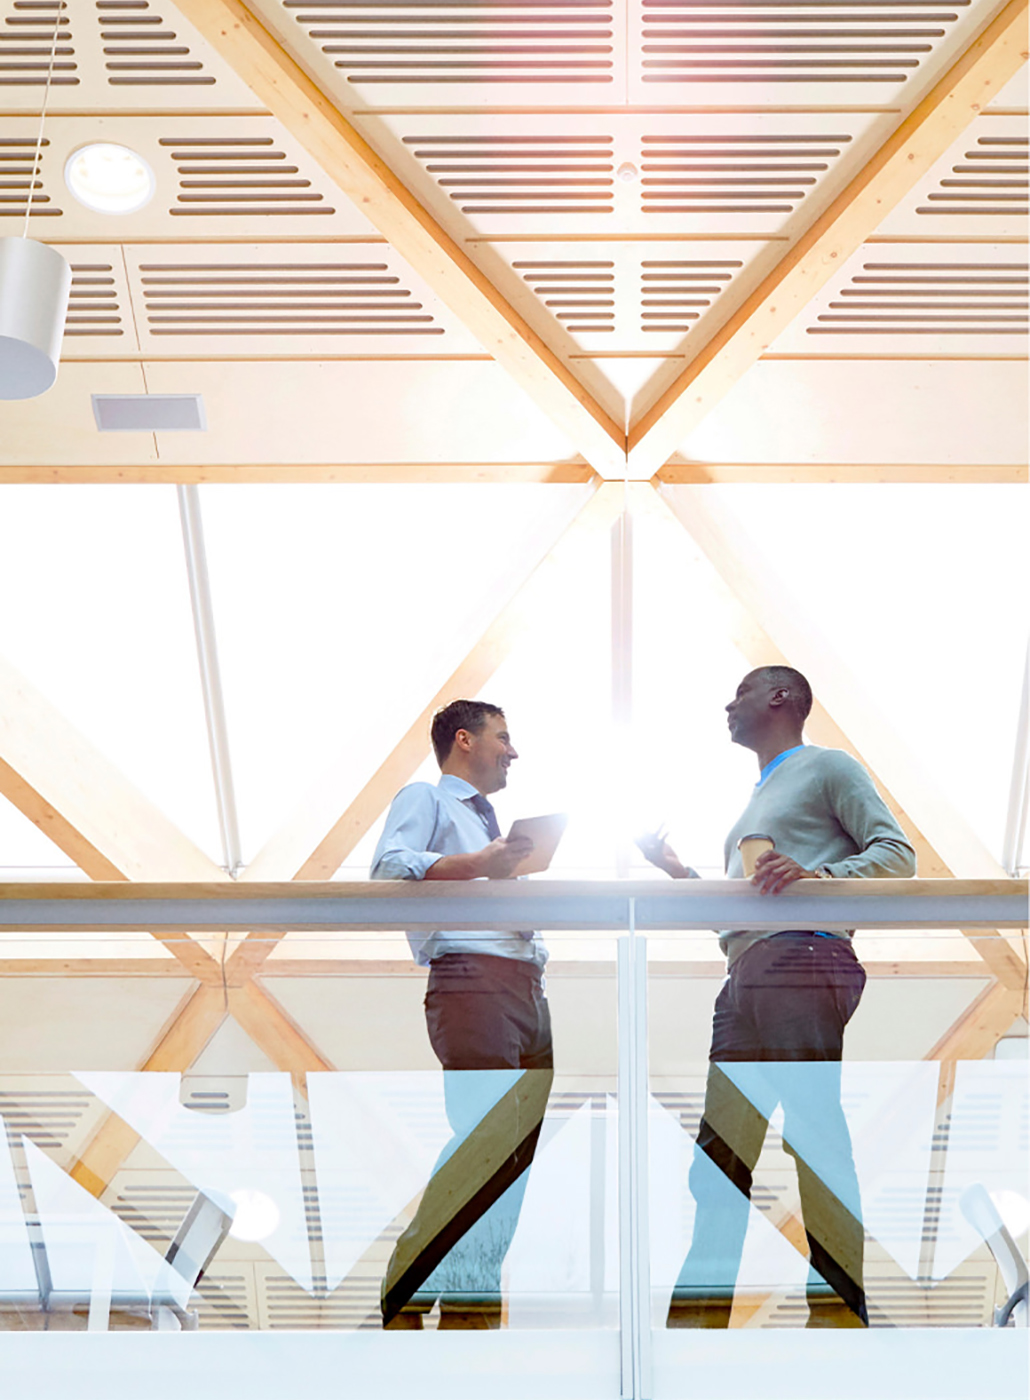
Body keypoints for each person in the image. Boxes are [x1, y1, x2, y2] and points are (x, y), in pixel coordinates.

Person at [639, 666, 916, 1328]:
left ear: (781, 698)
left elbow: (897, 855)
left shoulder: (827, 768)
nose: (726, 704)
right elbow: (745, 910)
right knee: (718, 1162)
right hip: (745, 975)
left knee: (813, 1135)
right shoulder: (751, 805)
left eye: (740, 692)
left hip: (804, 957)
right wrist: (681, 874)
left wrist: (819, 875)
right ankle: (693, 1331)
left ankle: (841, 1316)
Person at [370, 699, 553, 1330]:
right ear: (464, 740)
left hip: (526, 989)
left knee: (513, 1157)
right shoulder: (427, 800)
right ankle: (407, 1288)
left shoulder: (492, 821)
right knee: (484, 1141)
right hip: (473, 982)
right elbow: (391, 867)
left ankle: (469, 1311)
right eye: (503, 737)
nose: (513, 750)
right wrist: (481, 866)